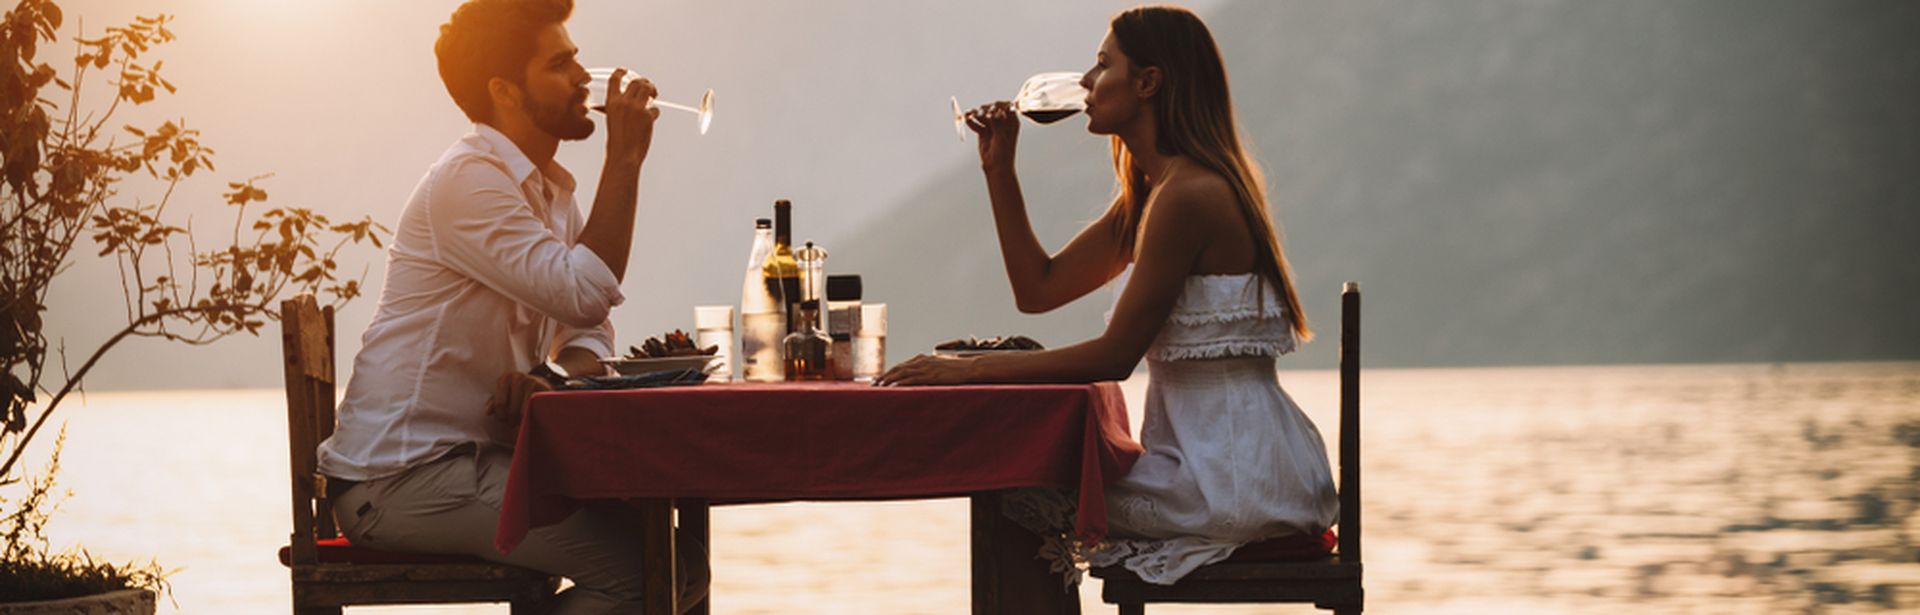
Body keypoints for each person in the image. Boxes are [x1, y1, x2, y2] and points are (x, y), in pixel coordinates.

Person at [877, 4, 1338, 610]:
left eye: (1101, 65)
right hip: (1205, 461)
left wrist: (964, 370)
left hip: (1231, 475)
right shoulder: (1153, 197)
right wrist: (999, 171)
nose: (1087, 84)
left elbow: (1116, 356)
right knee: (1021, 477)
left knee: (1018, 485)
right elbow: (1037, 291)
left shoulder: (1189, 196)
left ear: (1148, 82)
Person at [314, 0, 706, 612]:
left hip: (477, 463)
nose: (583, 76)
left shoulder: (547, 191)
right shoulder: (468, 181)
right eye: (559, 64)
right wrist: (625, 157)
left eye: (577, 57)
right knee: (652, 569)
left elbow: (590, 320)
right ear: (505, 90)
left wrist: (554, 377)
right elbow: (583, 290)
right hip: (401, 480)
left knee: (678, 556)